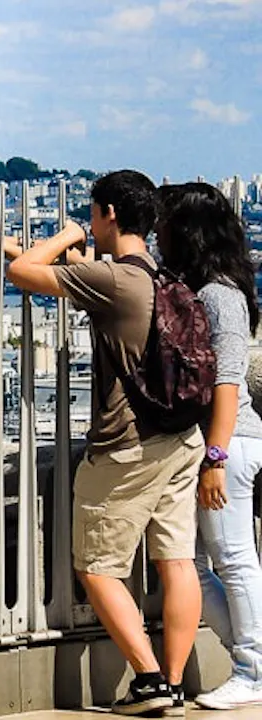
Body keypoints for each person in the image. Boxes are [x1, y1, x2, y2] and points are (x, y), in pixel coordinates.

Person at [0, 170, 204, 716]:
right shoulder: (156, 277)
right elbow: (60, 267)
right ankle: (173, 681)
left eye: (92, 214)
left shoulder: (114, 280)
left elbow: (27, 273)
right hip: (180, 438)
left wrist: (65, 233)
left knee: (97, 565)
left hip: (128, 445)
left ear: (109, 214)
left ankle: (148, 679)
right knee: (177, 561)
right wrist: (1, 243)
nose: (89, 224)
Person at [157, 182, 262, 711]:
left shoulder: (220, 296)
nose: (158, 232)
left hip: (227, 442)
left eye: (165, 224)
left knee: (233, 558)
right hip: (212, 444)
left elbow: (229, 381)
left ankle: (253, 668)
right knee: (194, 563)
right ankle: (251, 661)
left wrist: (215, 458)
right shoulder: (201, 289)